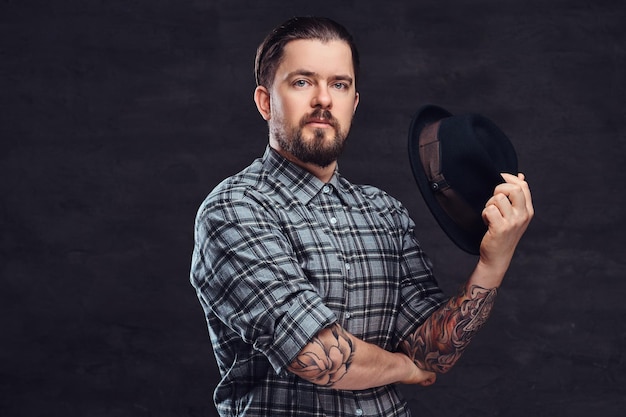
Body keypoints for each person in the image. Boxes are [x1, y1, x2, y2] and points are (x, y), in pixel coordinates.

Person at [190, 16, 533, 417]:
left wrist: (494, 261)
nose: (323, 99)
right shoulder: (235, 210)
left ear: (354, 102)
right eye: (302, 82)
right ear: (266, 102)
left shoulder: (384, 213)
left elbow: (432, 352)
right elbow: (313, 356)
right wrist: (403, 366)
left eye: (339, 84)